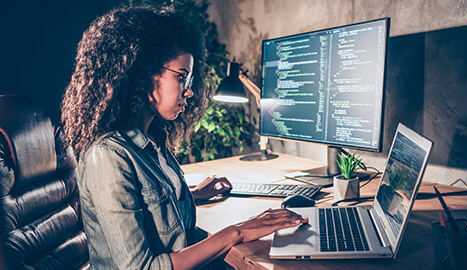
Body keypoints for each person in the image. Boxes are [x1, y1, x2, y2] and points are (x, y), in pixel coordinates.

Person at [61, 6, 308, 270]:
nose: (189, 92)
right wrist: (237, 231)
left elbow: (149, 207)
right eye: (182, 77)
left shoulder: (152, 139)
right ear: (142, 72)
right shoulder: (108, 156)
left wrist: (191, 194)